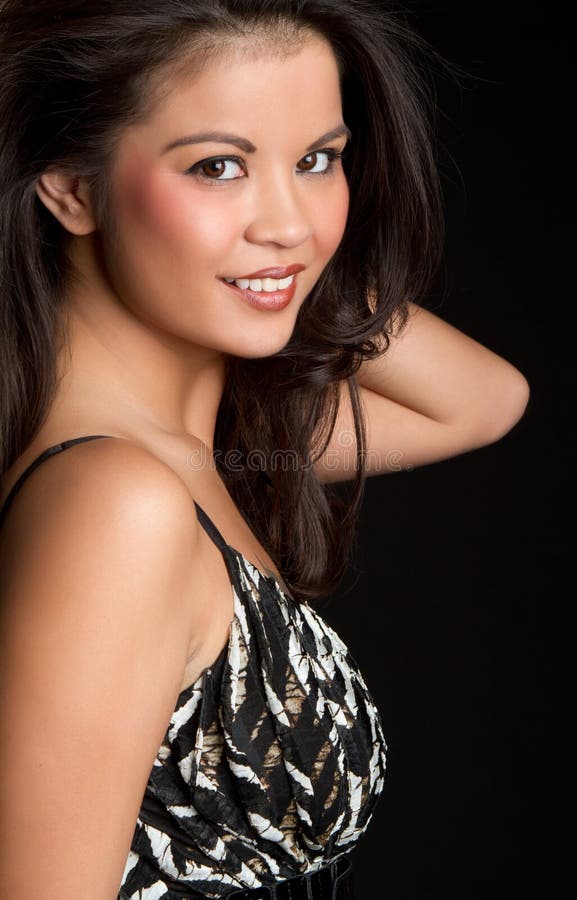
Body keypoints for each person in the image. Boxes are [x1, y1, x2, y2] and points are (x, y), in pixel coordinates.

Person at [0, 1, 529, 897]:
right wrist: (281, 257)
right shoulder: (117, 501)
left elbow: (483, 400)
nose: (288, 219)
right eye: (218, 166)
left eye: (317, 160)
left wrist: (287, 261)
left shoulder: (213, 449)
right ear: (72, 188)